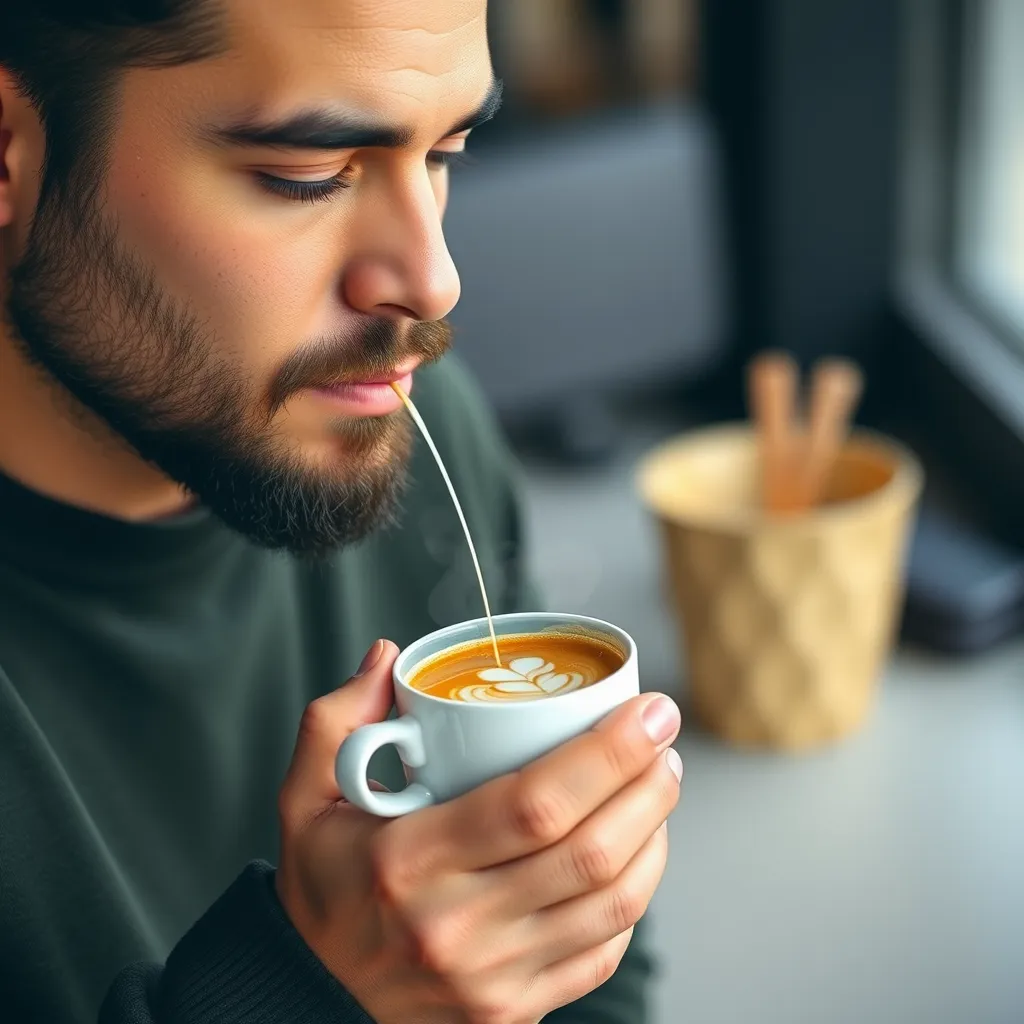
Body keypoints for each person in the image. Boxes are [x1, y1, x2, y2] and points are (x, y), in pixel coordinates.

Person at [0, 2, 683, 1022]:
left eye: (446, 152)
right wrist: (299, 995)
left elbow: (590, 983)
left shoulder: (405, 424)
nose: (432, 282)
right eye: (305, 177)